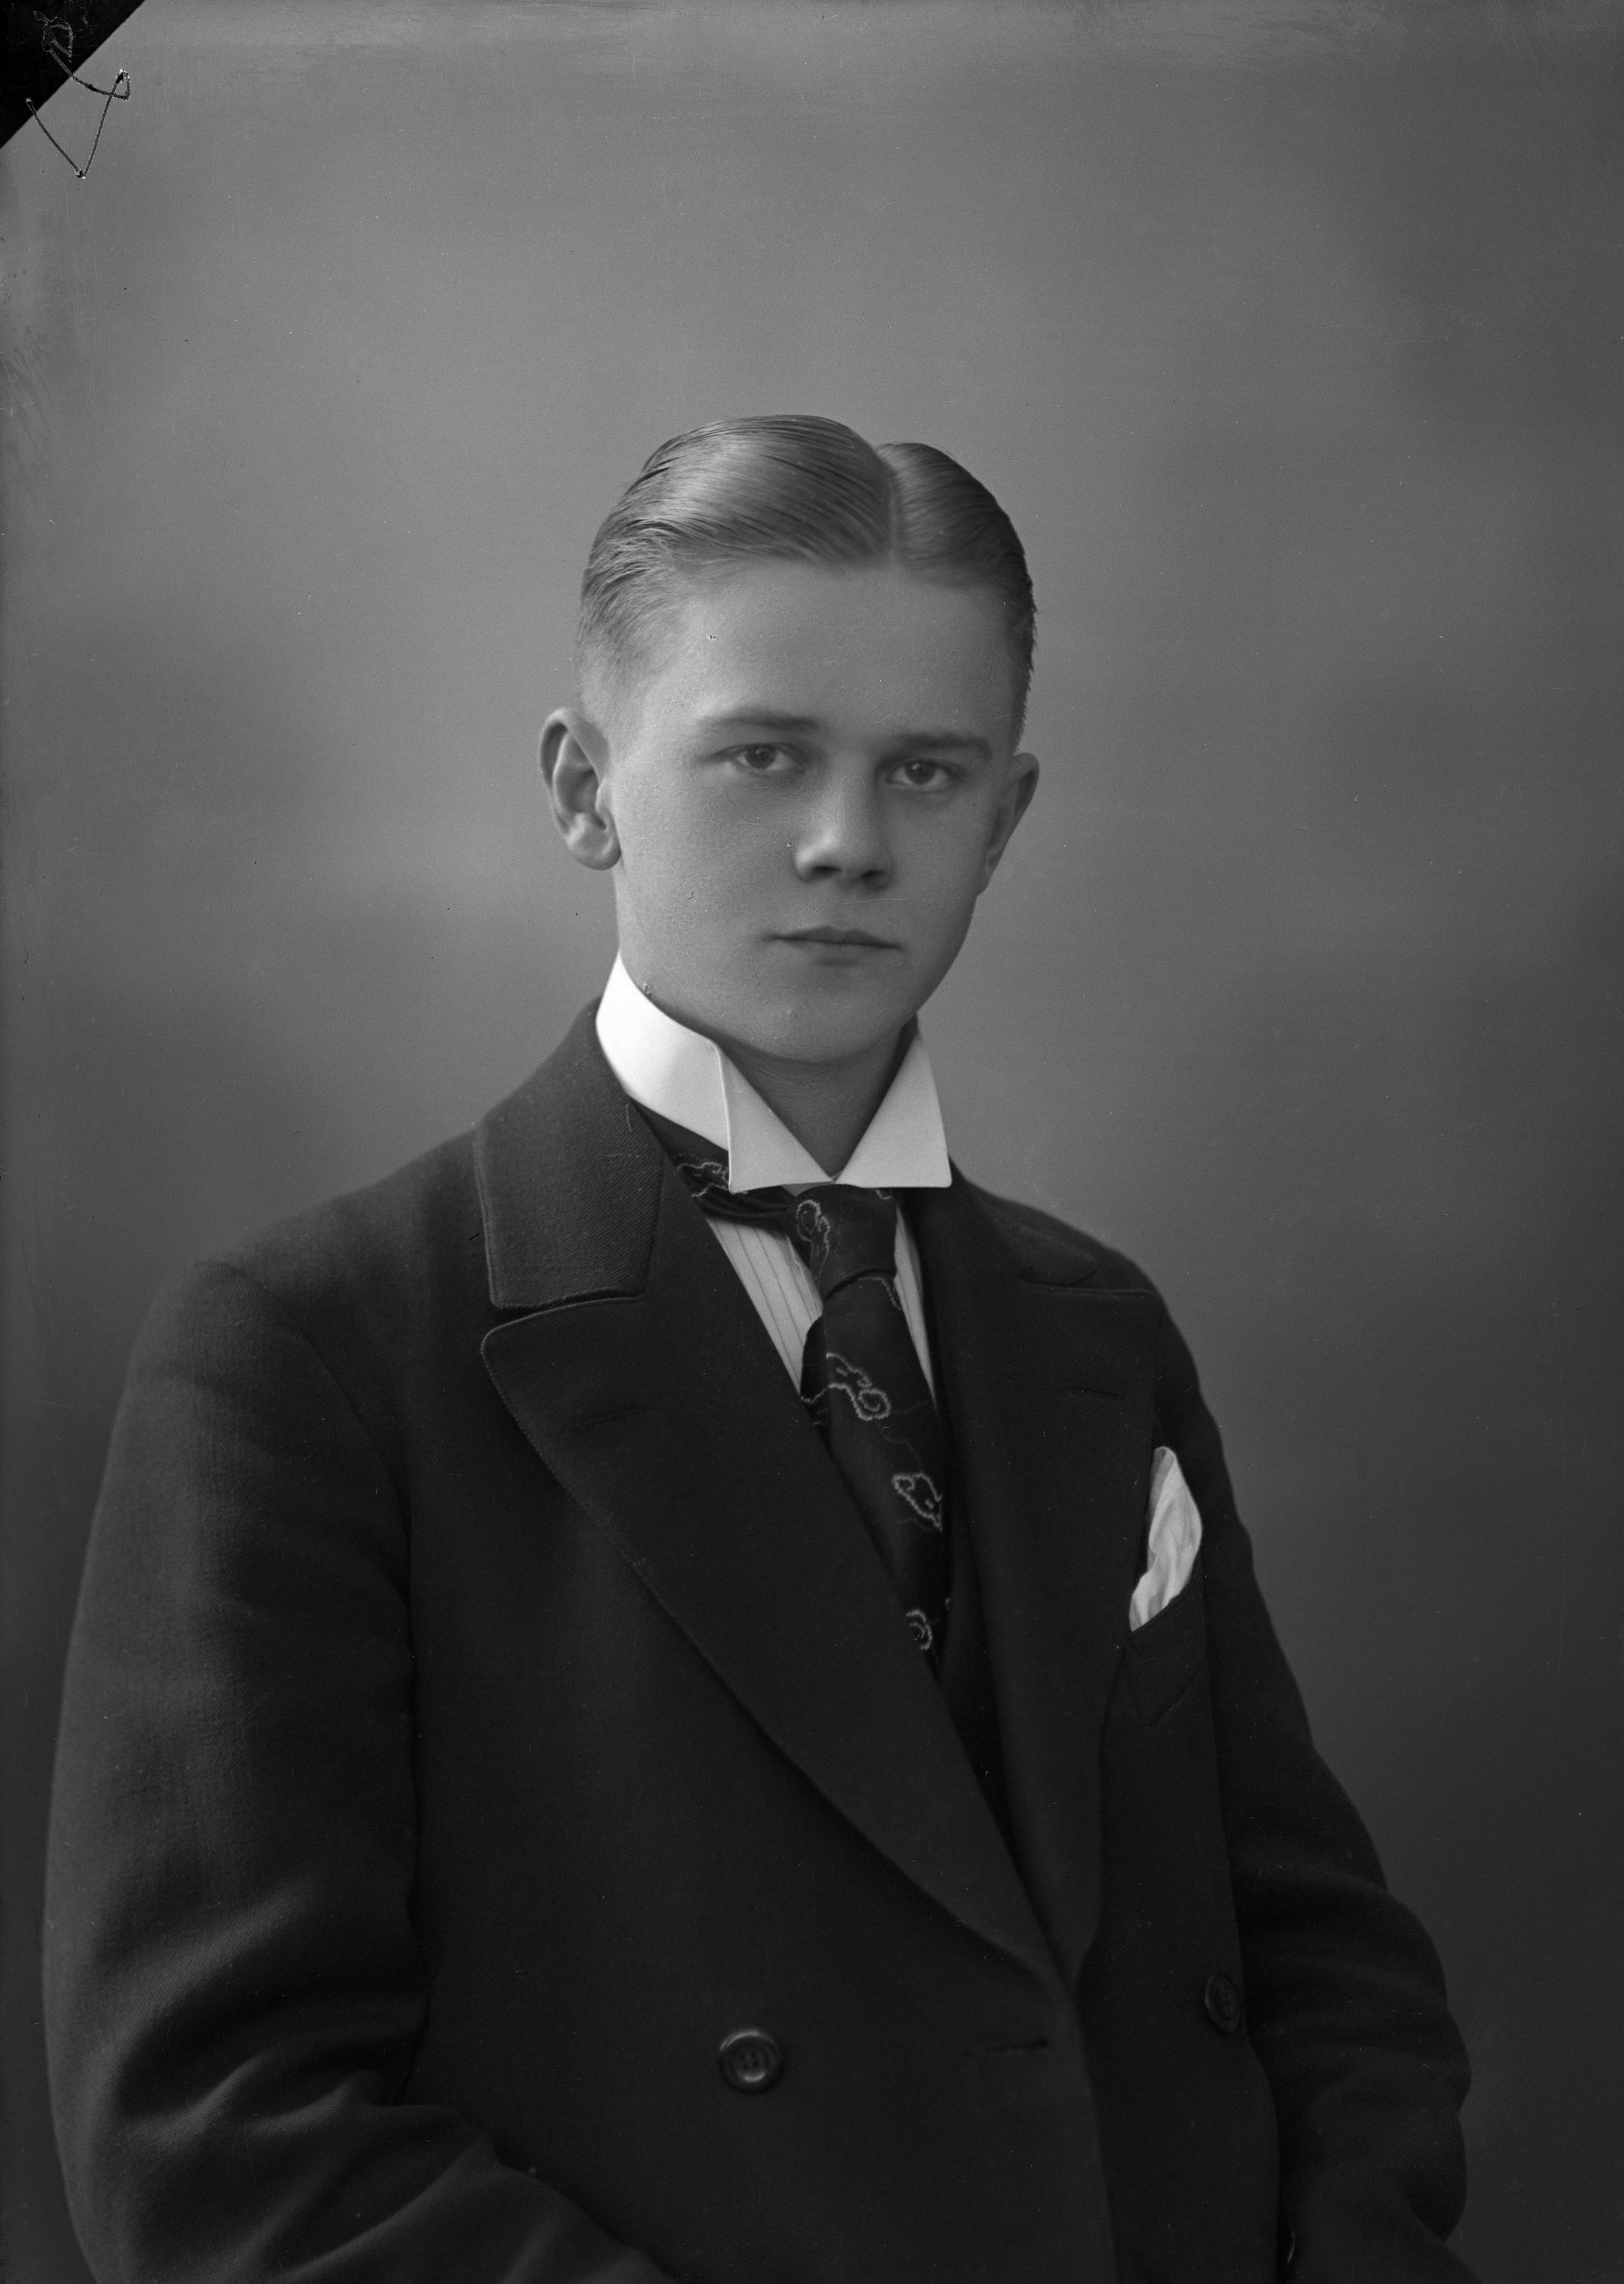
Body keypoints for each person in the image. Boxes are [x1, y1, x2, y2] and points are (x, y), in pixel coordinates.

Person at [44, 416, 1474, 2284]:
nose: (847, 843)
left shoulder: (1097, 1323)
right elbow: (217, 2131)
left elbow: (1314, 1949)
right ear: (584, 787)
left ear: (1007, 818)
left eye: (926, 771)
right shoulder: (306, 1350)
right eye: (764, 754)